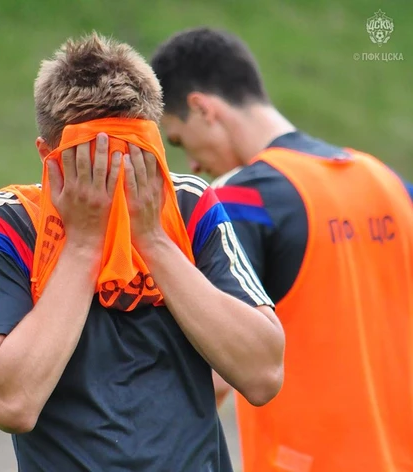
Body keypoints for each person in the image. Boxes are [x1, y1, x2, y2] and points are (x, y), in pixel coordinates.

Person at [0, 32, 284, 472]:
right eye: (88, 160)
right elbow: (12, 403)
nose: (110, 176)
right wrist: (82, 245)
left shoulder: (188, 205)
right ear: (47, 156)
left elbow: (263, 374)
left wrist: (154, 239)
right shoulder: (4, 222)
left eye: (132, 156)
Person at [151, 27, 413, 472]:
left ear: (203, 108)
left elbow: (215, 373)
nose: (191, 164)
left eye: (178, 140)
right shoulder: (389, 183)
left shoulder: (241, 197)